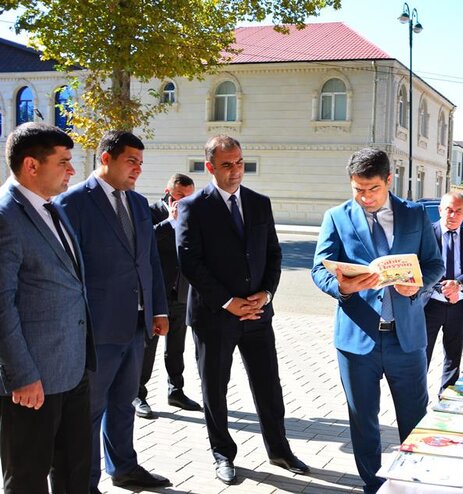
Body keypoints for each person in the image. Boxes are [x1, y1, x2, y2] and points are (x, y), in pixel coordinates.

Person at [310, 148, 444, 494]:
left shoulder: (414, 216)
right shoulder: (336, 217)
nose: (365, 197)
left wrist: (418, 283)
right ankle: (373, 486)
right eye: (357, 189)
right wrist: (342, 285)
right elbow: (318, 269)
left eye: (372, 189)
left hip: (407, 338)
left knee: (415, 420)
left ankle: (414, 484)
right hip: (357, 341)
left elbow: (435, 265)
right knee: (363, 423)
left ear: (388, 180)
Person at [176, 135, 307, 485]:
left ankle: (279, 450)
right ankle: (223, 454)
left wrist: (265, 294)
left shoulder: (260, 203)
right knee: (215, 389)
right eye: (226, 165)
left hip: (259, 314)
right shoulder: (193, 206)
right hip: (216, 316)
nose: (235, 171)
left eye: (239, 163)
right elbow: (190, 262)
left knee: (268, 386)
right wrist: (229, 302)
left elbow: (274, 255)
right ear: (210, 167)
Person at [56, 131, 170, 492]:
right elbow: (68, 271)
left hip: (137, 326)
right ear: (106, 158)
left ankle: (124, 468)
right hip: (96, 329)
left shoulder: (138, 204)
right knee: (89, 411)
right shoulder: (72, 204)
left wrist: (158, 309)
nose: (137, 169)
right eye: (131, 161)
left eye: (140, 163)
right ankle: (86, 482)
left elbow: (149, 261)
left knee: (124, 403)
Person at [0, 123, 96, 494]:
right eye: (64, 162)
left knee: (75, 473)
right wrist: (21, 375)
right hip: (32, 379)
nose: (72, 170)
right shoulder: (6, 217)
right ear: (32, 165)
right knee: (27, 480)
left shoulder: (53, 208)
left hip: (73, 370)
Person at [134, 173, 202, 419]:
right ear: (167, 191)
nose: (184, 201)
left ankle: (176, 391)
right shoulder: (150, 211)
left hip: (181, 292)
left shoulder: (191, 215)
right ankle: (138, 394)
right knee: (147, 346)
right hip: (155, 292)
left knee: (176, 347)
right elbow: (143, 242)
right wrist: (170, 222)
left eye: (189, 197)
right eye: (180, 196)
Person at [422, 192, 463, 394]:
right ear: (440, 210)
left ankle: (446, 397)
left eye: (458, 211)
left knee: (453, 357)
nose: (453, 215)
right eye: (449, 210)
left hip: (460, 305)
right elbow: (422, 267)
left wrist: (459, 285)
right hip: (430, 304)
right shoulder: (426, 235)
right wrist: (444, 288)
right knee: (422, 354)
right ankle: (417, 398)